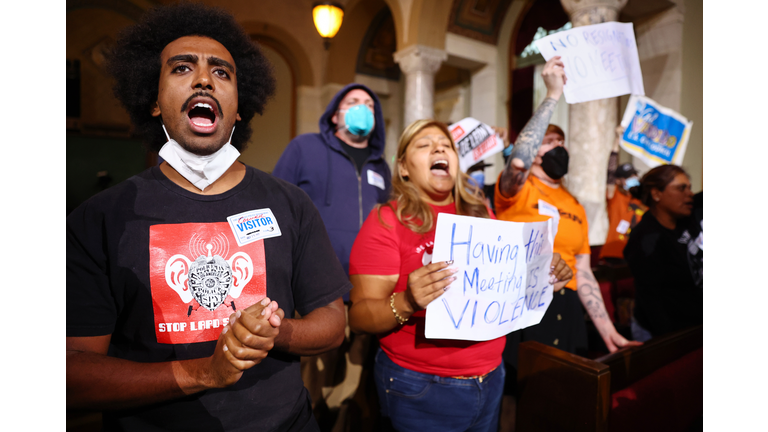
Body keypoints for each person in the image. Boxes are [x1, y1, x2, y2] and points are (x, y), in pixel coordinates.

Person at [66, 3, 350, 431]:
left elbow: (333, 323)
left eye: (221, 72)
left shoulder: (290, 204)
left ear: (239, 107)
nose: (203, 79)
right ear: (154, 101)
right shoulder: (101, 218)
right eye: (182, 68)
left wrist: (274, 332)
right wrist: (204, 372)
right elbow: (70, 377)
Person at [347, 119, 573, 432]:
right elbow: (358, 317)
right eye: (424, 144)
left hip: (492, 376)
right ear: (403, 168)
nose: (439, 148)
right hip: (421, 386)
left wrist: (543, 276)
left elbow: (501, 286)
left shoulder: (480, 211)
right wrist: (409, 300)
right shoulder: (387, 220)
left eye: (446, 146)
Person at [494, 56, 640, 365]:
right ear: (534, 151)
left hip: (568, 305)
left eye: (560, 140)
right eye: (547, 141)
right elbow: (517, 161)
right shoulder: (518, 188)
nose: (558, 146)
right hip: (522, 300)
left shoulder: (575, 205)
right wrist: (552, 95)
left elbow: (583, 271)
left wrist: (608, 331)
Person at [272, 84, 391, 429]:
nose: (362, 108)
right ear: (336, 114)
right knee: (309, 381)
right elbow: (277, 207)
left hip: (366, 291)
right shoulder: (304, 148)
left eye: (370, 104)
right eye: (353, 102)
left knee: (351, 383)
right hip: (315, 289)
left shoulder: (381, 166)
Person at [623, 165, 703, 342]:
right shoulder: (645, 240)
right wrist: (671, 342)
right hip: (663, 335)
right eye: (681, 188)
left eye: (689, 187)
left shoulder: (684, 220)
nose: (689, 193)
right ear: (656, 194)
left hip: (693, 327)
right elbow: (652, 302)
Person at [599, 127, 646, 264]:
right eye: (628, 177)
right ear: (619, 180)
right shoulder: (615, 196)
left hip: (637, 255)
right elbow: (610, 171)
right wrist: (617, 140)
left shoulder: (641, 200)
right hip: (615, 254)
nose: (633, 179)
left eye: (634, 175)